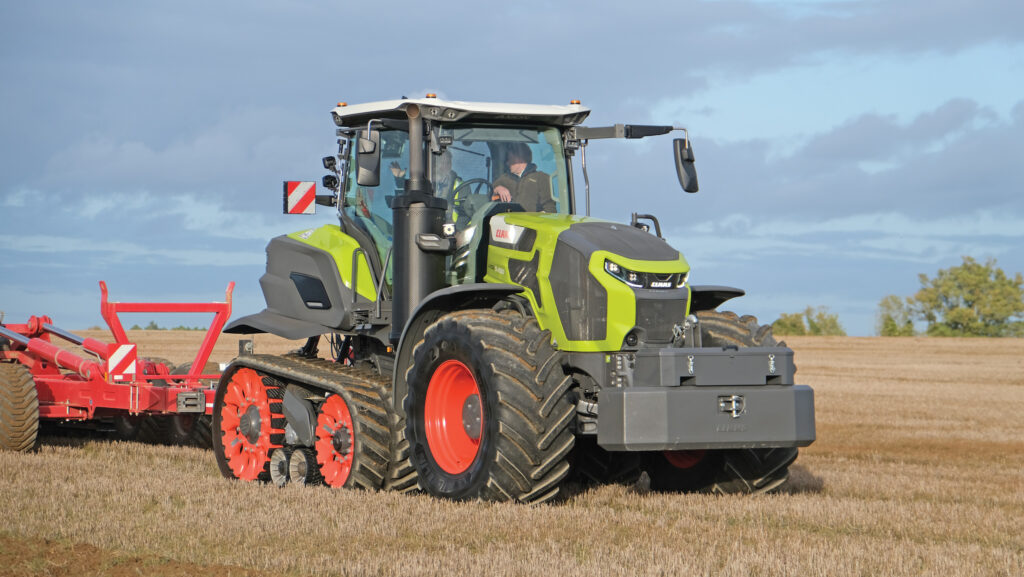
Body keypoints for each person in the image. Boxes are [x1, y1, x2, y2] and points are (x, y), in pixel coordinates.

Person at [492, 142, 555, 212]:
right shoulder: (503, 179)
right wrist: (497, 188)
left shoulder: (541, 178)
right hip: (505, 221)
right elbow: (488, 199)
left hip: (530, 222)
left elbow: (550, 209)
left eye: (509, 158)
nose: (507, 163)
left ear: (519, 158)